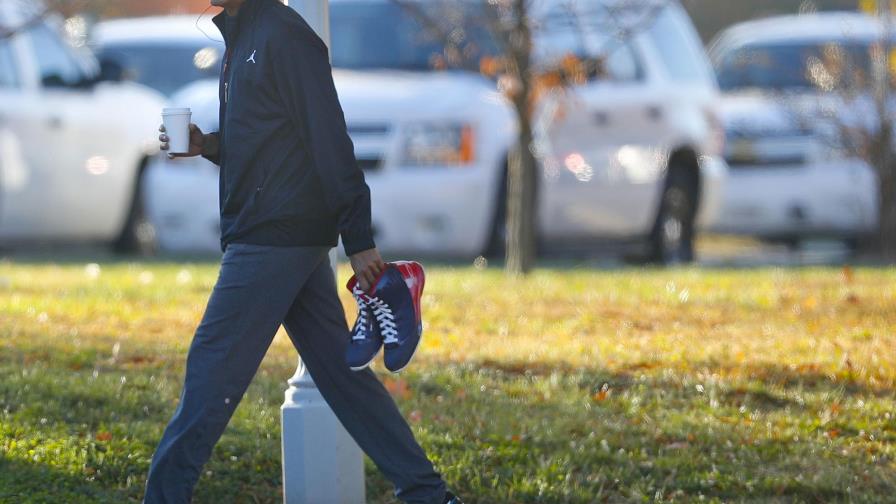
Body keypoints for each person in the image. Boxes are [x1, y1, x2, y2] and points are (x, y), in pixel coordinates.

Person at [143, 0, 462, 502]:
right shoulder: (245, 34)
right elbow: (268, 138)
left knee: (211, 370)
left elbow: (328, 136)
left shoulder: (285, 35)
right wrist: (207, 145)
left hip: (275, 237)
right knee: (343, 376)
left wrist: (359, 240)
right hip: (277, 232)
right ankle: (428, 494)